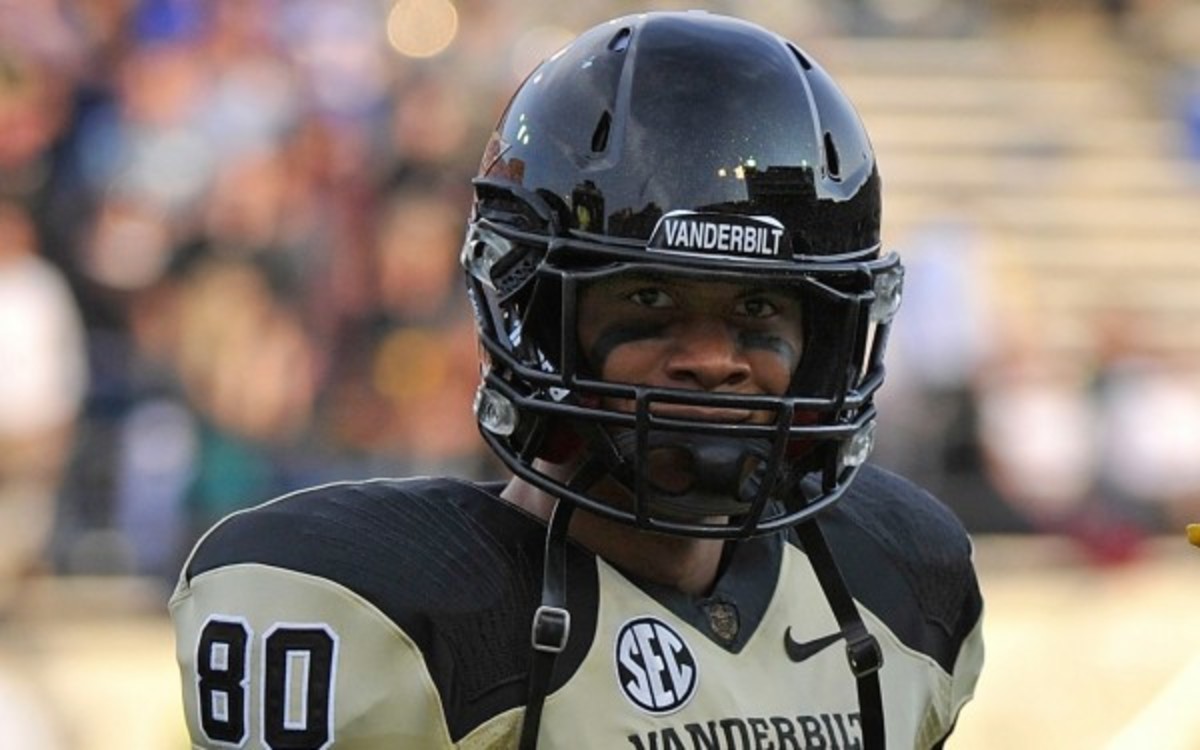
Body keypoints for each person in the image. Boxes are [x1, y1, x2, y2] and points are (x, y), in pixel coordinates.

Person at [170, 11, 984, 749]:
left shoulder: (894, 580)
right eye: (651, 299)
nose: (712, 357)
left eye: (758, 308)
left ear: (826, 337)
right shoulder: (386, 615)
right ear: (540, 317)